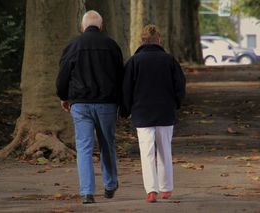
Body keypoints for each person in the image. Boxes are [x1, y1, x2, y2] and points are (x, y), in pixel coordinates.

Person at [56, 10, 123, 204]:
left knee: (84, 148)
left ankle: (87, 192)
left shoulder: (73, 45)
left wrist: (64, 96)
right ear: (101, 26)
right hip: (107, 104)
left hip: (81, 104)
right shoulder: (112, 46)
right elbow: (121, 76)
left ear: (82, 26)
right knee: (107, 145)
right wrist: (121, 101)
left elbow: (63, 75)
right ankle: (110, 184)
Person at [122, 24, 186, 203]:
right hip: (165, 112)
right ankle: (166, 188)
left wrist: (126, 110)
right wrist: (176, 104)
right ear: (159, 40)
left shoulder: (134, 62)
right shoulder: (169, 60)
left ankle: (151, 190)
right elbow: (179, 86)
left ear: (142, 41)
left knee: (147, 152)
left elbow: (127, 89)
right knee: (165, 150)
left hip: (142, 113)